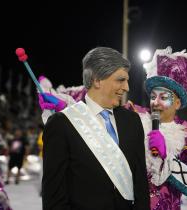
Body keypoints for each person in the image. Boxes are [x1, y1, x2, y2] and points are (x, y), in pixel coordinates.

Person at [41, 47, 150, 210]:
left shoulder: (132, 121)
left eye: (127, 80)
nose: (126, 87)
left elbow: (140, 185)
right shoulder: (61, 124)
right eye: (120, 80)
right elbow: (54, 197)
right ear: (97, 79)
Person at [126, 46, 187, 210]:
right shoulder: (135, 120)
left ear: (178, 103)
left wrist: (166, 156)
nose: (155, 102)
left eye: (163, 97)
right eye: (153, 96)